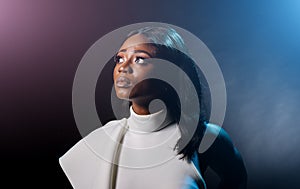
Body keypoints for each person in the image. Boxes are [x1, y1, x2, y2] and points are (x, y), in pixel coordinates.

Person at [59, 26, 247, 189]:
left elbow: (236, 178)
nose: (123, 67)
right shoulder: (98, 142)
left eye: (140, 59)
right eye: (119, 58)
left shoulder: (204, 136)